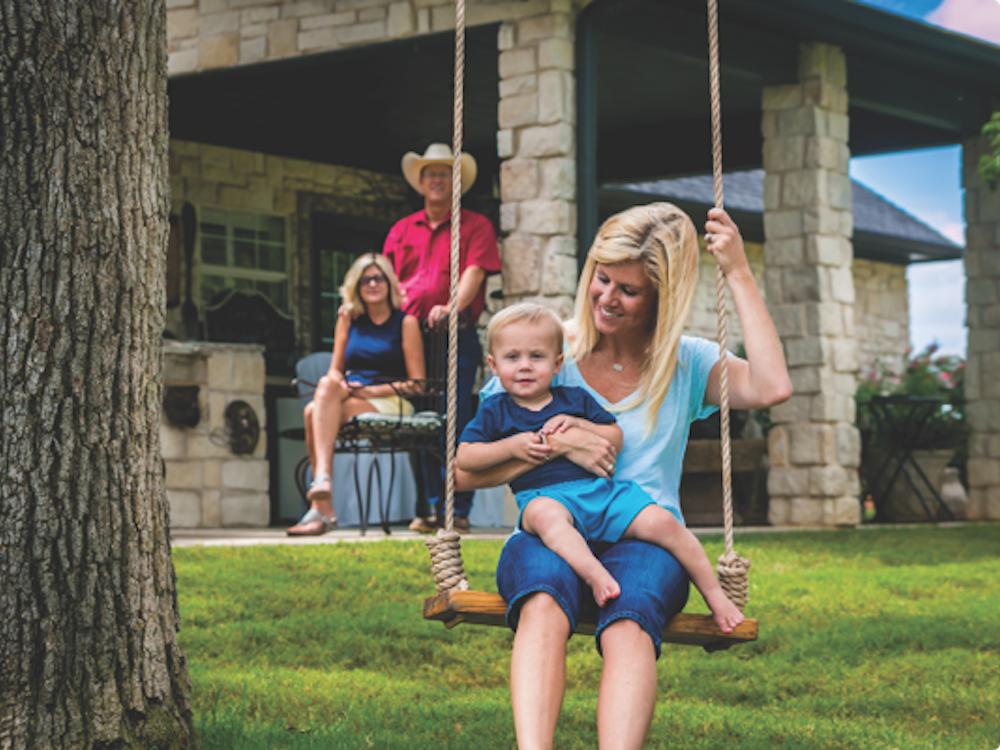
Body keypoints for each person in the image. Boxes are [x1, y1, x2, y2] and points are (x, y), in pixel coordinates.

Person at [456, 203, 792, 749]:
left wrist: (737, 271)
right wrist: (553, 446)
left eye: (628, 290)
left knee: (629, 619)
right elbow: (466, 474)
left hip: (645, 542)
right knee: (542, 598)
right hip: (549, 528)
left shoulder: (686, 363)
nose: (606, 298)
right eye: (601, 278)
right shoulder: (541, 350)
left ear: (662, 296)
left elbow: (772, 386)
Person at [458, 303, 745, 633]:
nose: (524, 366)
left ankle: (715, 596)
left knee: (664, 523)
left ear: (557, 364)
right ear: (493, 365)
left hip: (600, 493)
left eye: (536, 356)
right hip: (545, 497)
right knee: (546, 518)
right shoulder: (495, 411)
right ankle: (594, 575)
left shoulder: (574, 399)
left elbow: (615, 437)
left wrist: (581, 426)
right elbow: (465, 458)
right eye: (512, 357)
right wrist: (512, 446)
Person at [383, 143, 501, 533]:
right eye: (430, 173)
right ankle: (428, 507)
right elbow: (387, 281)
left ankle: (457, 508)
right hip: (411, 337)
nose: (436, 179)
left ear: (456, 182)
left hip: (456, 336)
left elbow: (475, 272)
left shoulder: (475, 226)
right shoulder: (401, 229)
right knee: (418, 420)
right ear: (420, 182)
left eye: (444, 173)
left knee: (456, 420)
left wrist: (452, 306)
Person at [287, 254, 425, 536]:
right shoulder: (348, 320)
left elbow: (417, 384)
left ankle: (322, 507)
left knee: (313, 412)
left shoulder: (405, 323)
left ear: (389, 283)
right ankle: (323, 483)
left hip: (392, 399)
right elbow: (336, 369)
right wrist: (342, 385)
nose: (372, 284)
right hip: (351, 396)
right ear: (356, 286)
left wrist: (374, 390)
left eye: (378, 278)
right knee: (326, 386)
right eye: (365, 280)